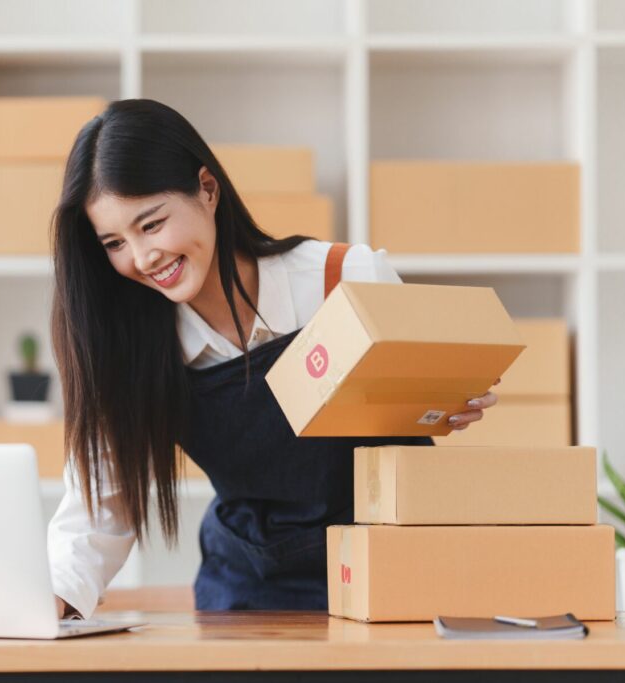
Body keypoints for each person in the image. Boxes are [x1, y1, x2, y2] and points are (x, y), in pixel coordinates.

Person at [45, 99, 498, 619]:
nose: (142, 258)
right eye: (114, 242)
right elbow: (101, 504)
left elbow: (419, 425)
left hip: (386, 574)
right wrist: (53, 597)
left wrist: (448, 400)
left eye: (151, 225)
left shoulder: (342, 281)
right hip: (246, 591)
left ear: (207, 190)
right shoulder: (135, 343)